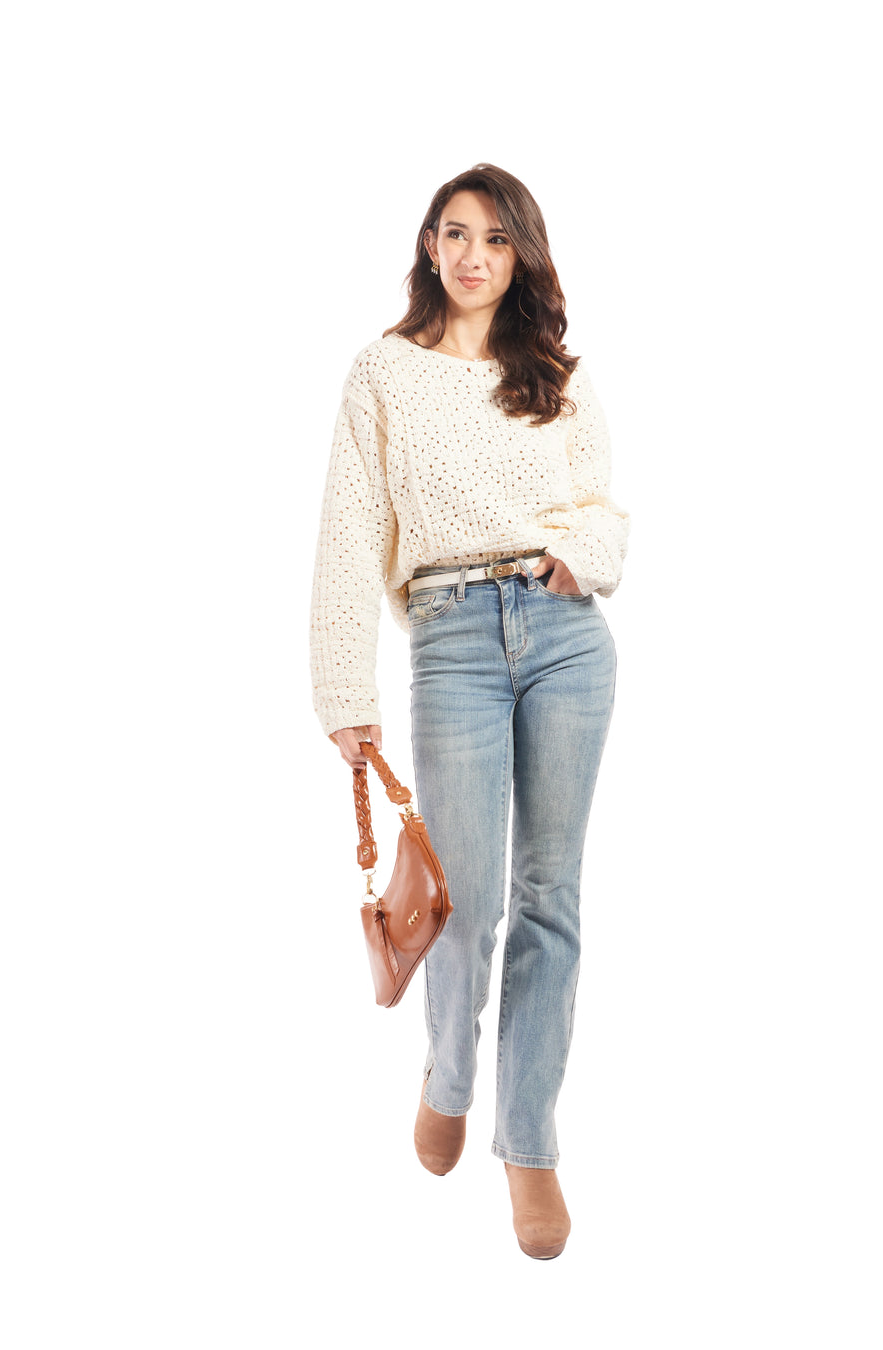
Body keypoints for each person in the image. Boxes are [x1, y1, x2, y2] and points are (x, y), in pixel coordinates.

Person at [310, 164, 629, 1260]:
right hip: (450, 637)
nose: (473, 255)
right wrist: (346, 692)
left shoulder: (557, 377)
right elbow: (350, 531)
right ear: (429, 245)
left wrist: (575, 559)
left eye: (495, 238)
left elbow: (606, 513)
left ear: (520, 254)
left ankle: (528, 1145)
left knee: (551, 897)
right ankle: (448, 1074)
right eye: (455, 234)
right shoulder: (384, 372)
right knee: (467, 900)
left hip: (566, 636)